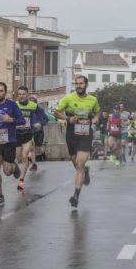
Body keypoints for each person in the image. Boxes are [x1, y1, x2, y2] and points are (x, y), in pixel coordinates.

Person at [54, 75, 100, 208]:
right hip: (72, 133)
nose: (79, 86)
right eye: (77, 84)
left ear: (86, 85)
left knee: (79, 164)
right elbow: (57, 112)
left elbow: (97, 112)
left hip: (86, 133)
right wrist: (68, 119)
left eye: (81, 83)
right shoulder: (69, 98)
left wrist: (95, 119)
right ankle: (86, 171)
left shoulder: (93, 100)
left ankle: (75, 196)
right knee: (76, 163)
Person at [15, 86, 39, 191]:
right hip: (16, 135)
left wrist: (39, 123)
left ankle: (21, 180)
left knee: (24, 156)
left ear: (27, 94)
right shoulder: (14, 105)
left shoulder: (33, 106)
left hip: (28, 134)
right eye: (19, 94)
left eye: (23, 94)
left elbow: (43, 117)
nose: (21, 96)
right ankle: (18, 165)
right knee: (19, 158)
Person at [29, 94, 49, 170]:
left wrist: (40, 124)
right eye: (30, 101)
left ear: (36, 102)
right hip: (30, 131)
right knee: (31, 148)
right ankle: (33, 164)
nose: (32, 103)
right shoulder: (27, 110)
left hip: (39, 132)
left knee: (38, 148)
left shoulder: (40, 110)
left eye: (33, 101)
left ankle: (43, 152)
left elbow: (46, 119)